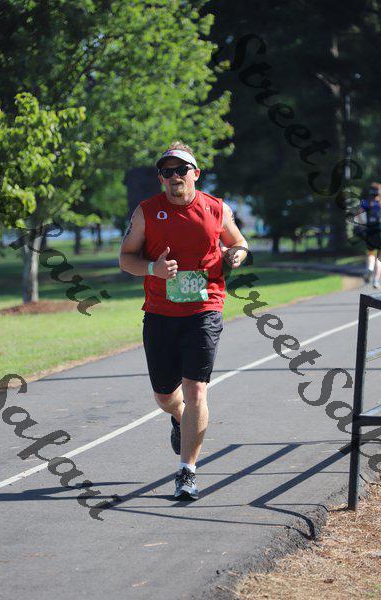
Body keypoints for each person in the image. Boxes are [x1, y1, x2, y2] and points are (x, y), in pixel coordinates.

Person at [119, 141, 249, 500]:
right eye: (167, 171)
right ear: (161, 178)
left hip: (205, 309)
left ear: (195, 173)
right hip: (160, 313)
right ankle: (178, 417)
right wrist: (153, 269)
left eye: (181, 169)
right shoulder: (146, 212)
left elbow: (239, 242)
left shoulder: (216, 208)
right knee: (165, 396)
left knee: (196, 390)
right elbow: (126, 258)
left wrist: (236, 255)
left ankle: (187, 471)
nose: (174, 176)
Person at [357, 183, 381, 289]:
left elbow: (359, 216)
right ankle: (376, 281)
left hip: (370, 232)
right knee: (379, 258)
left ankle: (370, 268)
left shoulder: (366, 203)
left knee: (371, 254)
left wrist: (362, 228)